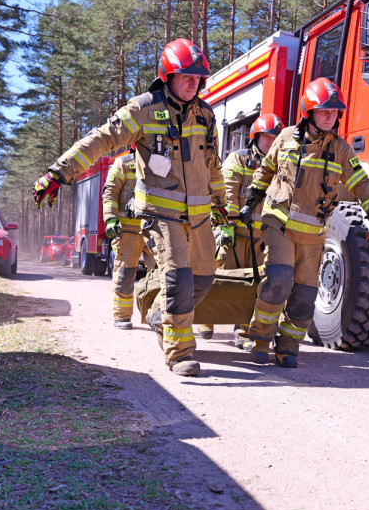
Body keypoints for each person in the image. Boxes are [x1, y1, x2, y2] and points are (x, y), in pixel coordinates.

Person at [33, 38, 227, 377]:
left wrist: (222, 204)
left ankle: (158, 316)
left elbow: (213, 165)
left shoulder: (206, 115)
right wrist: (59, 172)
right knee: (179, 281)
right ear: (167, 76)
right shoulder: (142, 109)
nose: (193, 83)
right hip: (160, 216)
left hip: (198, 219)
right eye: (186, 77)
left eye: (198, 78)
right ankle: (180, 354)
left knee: (204, 281)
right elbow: (100, 140)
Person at [238, 78, 369, 367]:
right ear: (309, 111)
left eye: (334, 111)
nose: (330, 116)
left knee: (306, 295)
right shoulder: (284, 139)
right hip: (279, 225)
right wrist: (249, 201)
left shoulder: (342, 151)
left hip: (312, 234)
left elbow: (362, 186)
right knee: (278, 281)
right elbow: (266, 170)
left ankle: (288, 346)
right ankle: (260, 338)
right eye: (324, 111)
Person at [197, 113, 282, 346]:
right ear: (255, 138)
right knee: (220, 278)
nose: (271, 142)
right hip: (233, 235)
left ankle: (243, 334)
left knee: (253, 286)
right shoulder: (239, 159)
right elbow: (229, 193)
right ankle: (205, 319)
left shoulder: (280, 166)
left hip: (261, 237)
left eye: (275, 138)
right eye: (266, 137)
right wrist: (228, 226)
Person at [102, 150, 148, 329]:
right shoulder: (123, 163)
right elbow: (110, 192)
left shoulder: (163, 161)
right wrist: (111, 218)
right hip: (128, 230)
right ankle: (122, 316)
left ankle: (156, 315)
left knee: (161, 275)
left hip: (155, 229)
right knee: (125, 274)